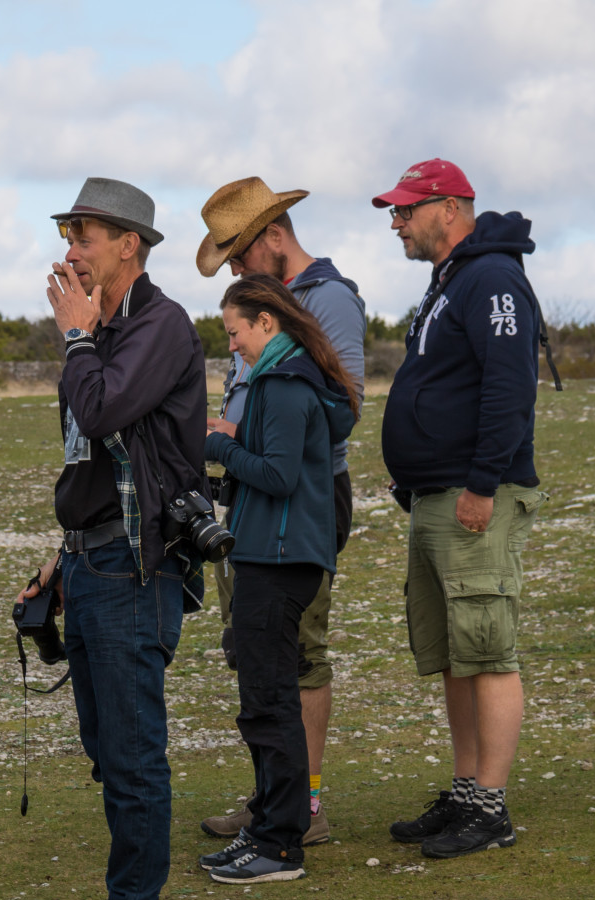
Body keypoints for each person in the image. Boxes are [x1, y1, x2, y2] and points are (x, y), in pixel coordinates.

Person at [19, 178, 209, 900]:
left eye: (85, 235)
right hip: (92, 559)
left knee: (134, 752)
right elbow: (87, 455)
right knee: (107, 746)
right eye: (68, 233)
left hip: (138, 567)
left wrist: (74, 339)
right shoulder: (106, 329)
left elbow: (100, 411)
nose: (71, 250)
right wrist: (61, 550)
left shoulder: (159, 326)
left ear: (129, 243)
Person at [372, 159, 549, 859]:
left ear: (449, 207)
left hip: (476, 496)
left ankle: (491, 806)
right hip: (437, 496)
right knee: (454, 655)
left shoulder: (493, 278)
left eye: (406, 210)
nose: (396, 224)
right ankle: (468, 788)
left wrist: (482, 482)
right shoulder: (449, 281)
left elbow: (510, 387)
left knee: (487, 649)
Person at [194, 178, 366, 847]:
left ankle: (303, 806)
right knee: (260, 654)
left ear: (274, 234)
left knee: (297, 652)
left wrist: (240, 442)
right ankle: (276, 796)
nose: (236, 267)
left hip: (299, 501)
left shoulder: (328, 301)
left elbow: (342, 406)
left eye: (239, 253)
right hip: (259, 499)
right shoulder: (261, 312)